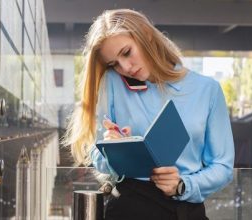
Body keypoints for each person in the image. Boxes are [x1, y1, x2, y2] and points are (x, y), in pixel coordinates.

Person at [63, 9, 234, 219]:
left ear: (147, 36)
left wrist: (182, 185)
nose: (125, 67)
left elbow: (222, 166)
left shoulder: (208, 90)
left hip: (186, 208)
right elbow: (96, 154)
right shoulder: (113, 82)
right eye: (114, 63)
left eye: (126, 52)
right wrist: (114, 149)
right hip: (130, 206)